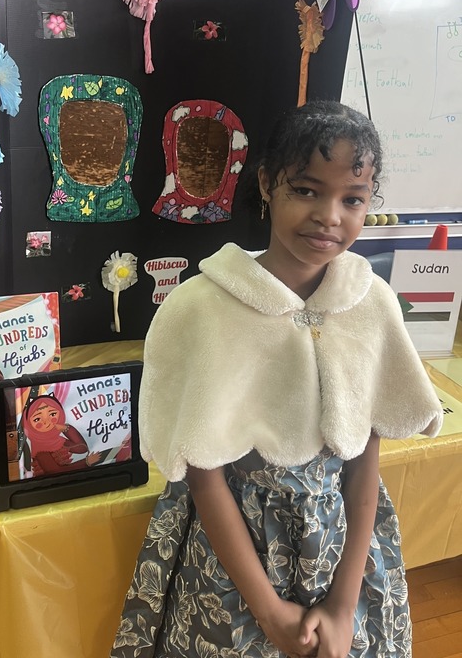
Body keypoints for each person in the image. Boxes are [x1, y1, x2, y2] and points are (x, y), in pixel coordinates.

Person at [110, 100, 443, 658]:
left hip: (340, 552)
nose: (329, 216)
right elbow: (203, 473)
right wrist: (269, 611)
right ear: (266, 184)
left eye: (353, 199)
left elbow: (364, 467)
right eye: (307, 190)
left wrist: (340, 607)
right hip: (233, 561)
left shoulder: (370, 303)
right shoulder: (205, 306)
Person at [22, 395, 102, 476]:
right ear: (29, 424)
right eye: (37, 419)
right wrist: (86, 462)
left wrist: (65, 428)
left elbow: (81, 448)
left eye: (52, 414)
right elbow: (56, 472)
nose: (46, 422)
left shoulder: (56, 441)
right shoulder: (40, 449)